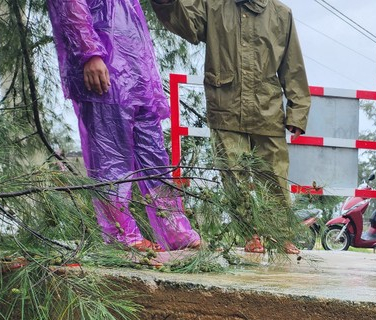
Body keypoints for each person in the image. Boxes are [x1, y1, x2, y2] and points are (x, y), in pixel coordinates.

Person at [151, 0, 310, 252]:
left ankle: (281, 235)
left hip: (266, 108)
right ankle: (249, 234)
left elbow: (293, 67)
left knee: (274, 176)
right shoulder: (213, 5)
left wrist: (298, 112)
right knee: (233, 176)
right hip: (225, 104)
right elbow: (185, 24)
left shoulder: (281, 15)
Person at [47, 0, 200, 260]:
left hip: (137, 73)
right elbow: (71, 6)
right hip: (104, 68)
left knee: (155, 158)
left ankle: (175, 230)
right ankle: (121, 236)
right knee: (111, 159)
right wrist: (89, 53)